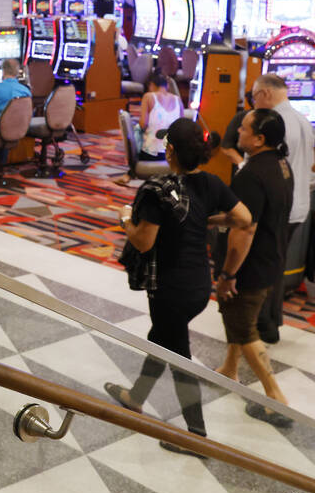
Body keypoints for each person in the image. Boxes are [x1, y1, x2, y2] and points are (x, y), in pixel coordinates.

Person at [105, 118, 252, 452]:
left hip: (168, 287)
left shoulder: (158, 191)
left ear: (169, 150)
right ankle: (135, 396)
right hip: (199, 285)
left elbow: (143, 242)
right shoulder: (212, 184)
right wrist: (207, 218)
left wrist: (125, 220)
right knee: (162, 339)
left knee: (178, 354)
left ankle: (196, 435)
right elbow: (243, 218)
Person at [215, 108, 294, 428]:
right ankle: (229, 369)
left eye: (245, 130)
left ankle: (276, 398)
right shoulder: (280, 164)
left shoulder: (250, 174)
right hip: (274, 256)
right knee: (237, 316)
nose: (238, 134)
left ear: (259, 139)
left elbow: (244, 230)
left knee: (246, 328)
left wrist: (228, 274)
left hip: (251, 263)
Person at [250, 73, 315, 343]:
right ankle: (270, 321)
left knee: (265, 266)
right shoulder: (303, 119)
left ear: (266, 94)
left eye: (254, 97)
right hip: (299, 203)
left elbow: (272, 172)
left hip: (280, 208)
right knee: (275, 265)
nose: (254, 103)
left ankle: (264, 324)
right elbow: (310, 164)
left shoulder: (275, 123)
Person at [113, 70, 182, 186]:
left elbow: (143, 124)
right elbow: (181, 126)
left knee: (138, 135)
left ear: (151, 85)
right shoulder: (178, 99)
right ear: (168, 85)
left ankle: (131, 173)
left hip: (153, 154)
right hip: (173, 156)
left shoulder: (149, 96)